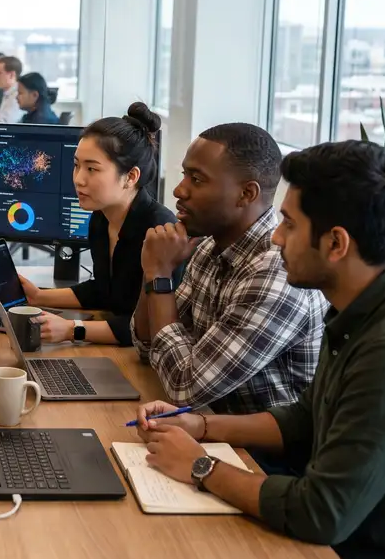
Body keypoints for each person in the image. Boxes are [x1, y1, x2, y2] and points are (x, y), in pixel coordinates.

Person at [137, 140, 385, 559]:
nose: (275, 238)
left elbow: (321, 512)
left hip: (374, 556)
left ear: (336, 244)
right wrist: (200, 427)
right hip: (331, 515)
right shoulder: (362, 309)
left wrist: (201, 467)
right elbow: (304, 420)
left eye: (289, 225)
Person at [131, 122, 325, 415]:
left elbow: (185, 387)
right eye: (185, 174)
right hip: (215, 426)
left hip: (266, 456)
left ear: (246, 194)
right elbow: (148, 347)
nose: (179, 190)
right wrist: (153, 272)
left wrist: (159, 275)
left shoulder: (276, 271)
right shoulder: (209, 248)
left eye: (196, 179)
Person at [20, 102, 180, 345]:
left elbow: (149, 326)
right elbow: (105, 292)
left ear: (131, 177)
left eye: (92, 169)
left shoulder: (158, 231)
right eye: (76, 165)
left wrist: (73, 329)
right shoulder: (101, 218)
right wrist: (38, 296)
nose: (78, 179)